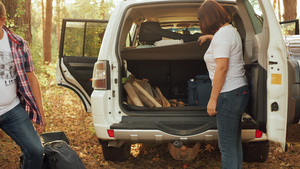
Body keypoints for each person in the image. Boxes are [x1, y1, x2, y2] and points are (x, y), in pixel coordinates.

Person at [197, 0, 249, 169]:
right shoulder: (230, 31)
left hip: (228, 94)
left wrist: (213, 99)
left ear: (208, 18)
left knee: (226, 146)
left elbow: (222, 68)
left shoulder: (222, 35)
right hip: (238, 91)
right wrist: (209, 37)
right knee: (233, 144)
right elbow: (224, 43)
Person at [0, 2, 46, 169]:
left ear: (2, 20)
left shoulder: (18, 43)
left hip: (11, 110)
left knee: (35, 150)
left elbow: (31, 78)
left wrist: (40, 110)